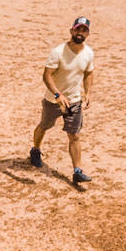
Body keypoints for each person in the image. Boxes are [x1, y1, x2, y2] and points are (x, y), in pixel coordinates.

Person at [29, 15, 95, 184]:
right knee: (44, 126)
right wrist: (58, 95)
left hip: (74, 101)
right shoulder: (58, 52)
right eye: (78, 29)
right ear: (71, 30)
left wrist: (87, 93)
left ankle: (77, 171)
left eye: (84, 30)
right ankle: (35, 150)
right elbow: (47, 76)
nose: (80, 32)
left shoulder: (89, 53)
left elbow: (88, 73)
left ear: (87, 34)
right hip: (53, 100)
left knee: (74, 136)